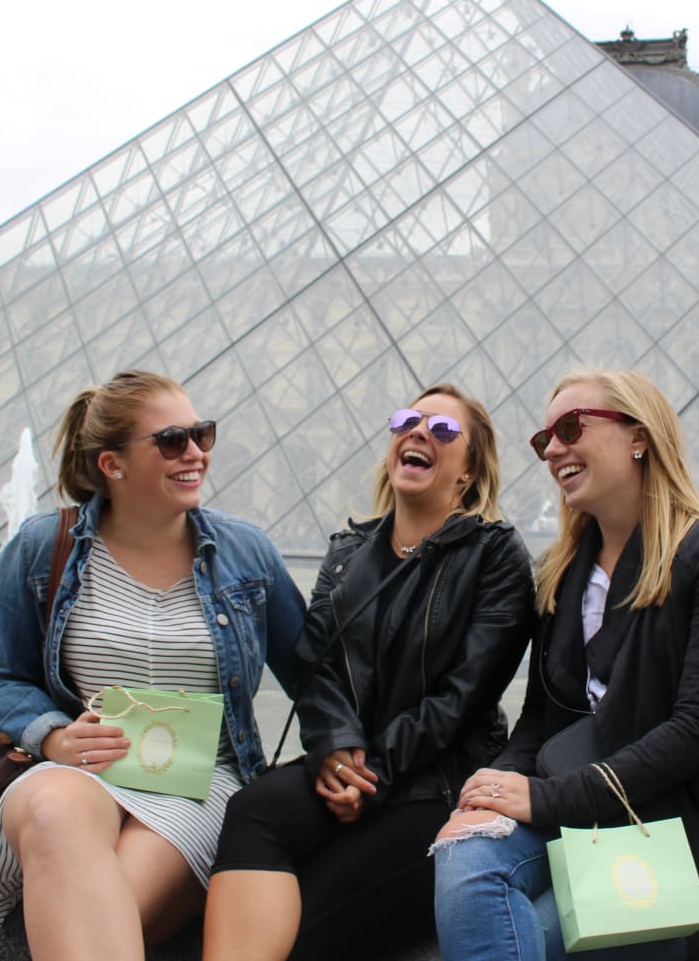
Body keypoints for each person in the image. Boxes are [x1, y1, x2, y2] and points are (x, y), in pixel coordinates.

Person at [432, 370, 699, 961]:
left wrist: (545, 800)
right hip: (579, 806)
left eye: (570, 427)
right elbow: (541, 718)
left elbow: (697, 732)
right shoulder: (563, 572)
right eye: (545, 440)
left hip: (669, 822)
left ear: (639, 437)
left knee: (532, 936)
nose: (553, 449)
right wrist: (489, 791)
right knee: (464, 856)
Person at [0, 370, 305, 960]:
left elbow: (317, 674)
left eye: (202, 433)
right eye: (172, 440)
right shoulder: (37, 547)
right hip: (84, 771)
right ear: (112, 465)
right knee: (53, 810)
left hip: (197, 786)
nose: (197, 453)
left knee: (95, 908)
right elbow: (4, 678)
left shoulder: (245, 552)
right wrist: (52, 737)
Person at [202, 383, 536, 961]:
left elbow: (464, 696)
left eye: (443, 429)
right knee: (253, 808)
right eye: (408, 419)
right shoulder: (348, 550)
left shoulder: (494, 554)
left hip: (438, 782)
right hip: (351, 763)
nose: (418, 431)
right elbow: (316, 664)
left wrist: (372, 773)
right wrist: (335, 747)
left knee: (304, 925)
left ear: (468, 471)